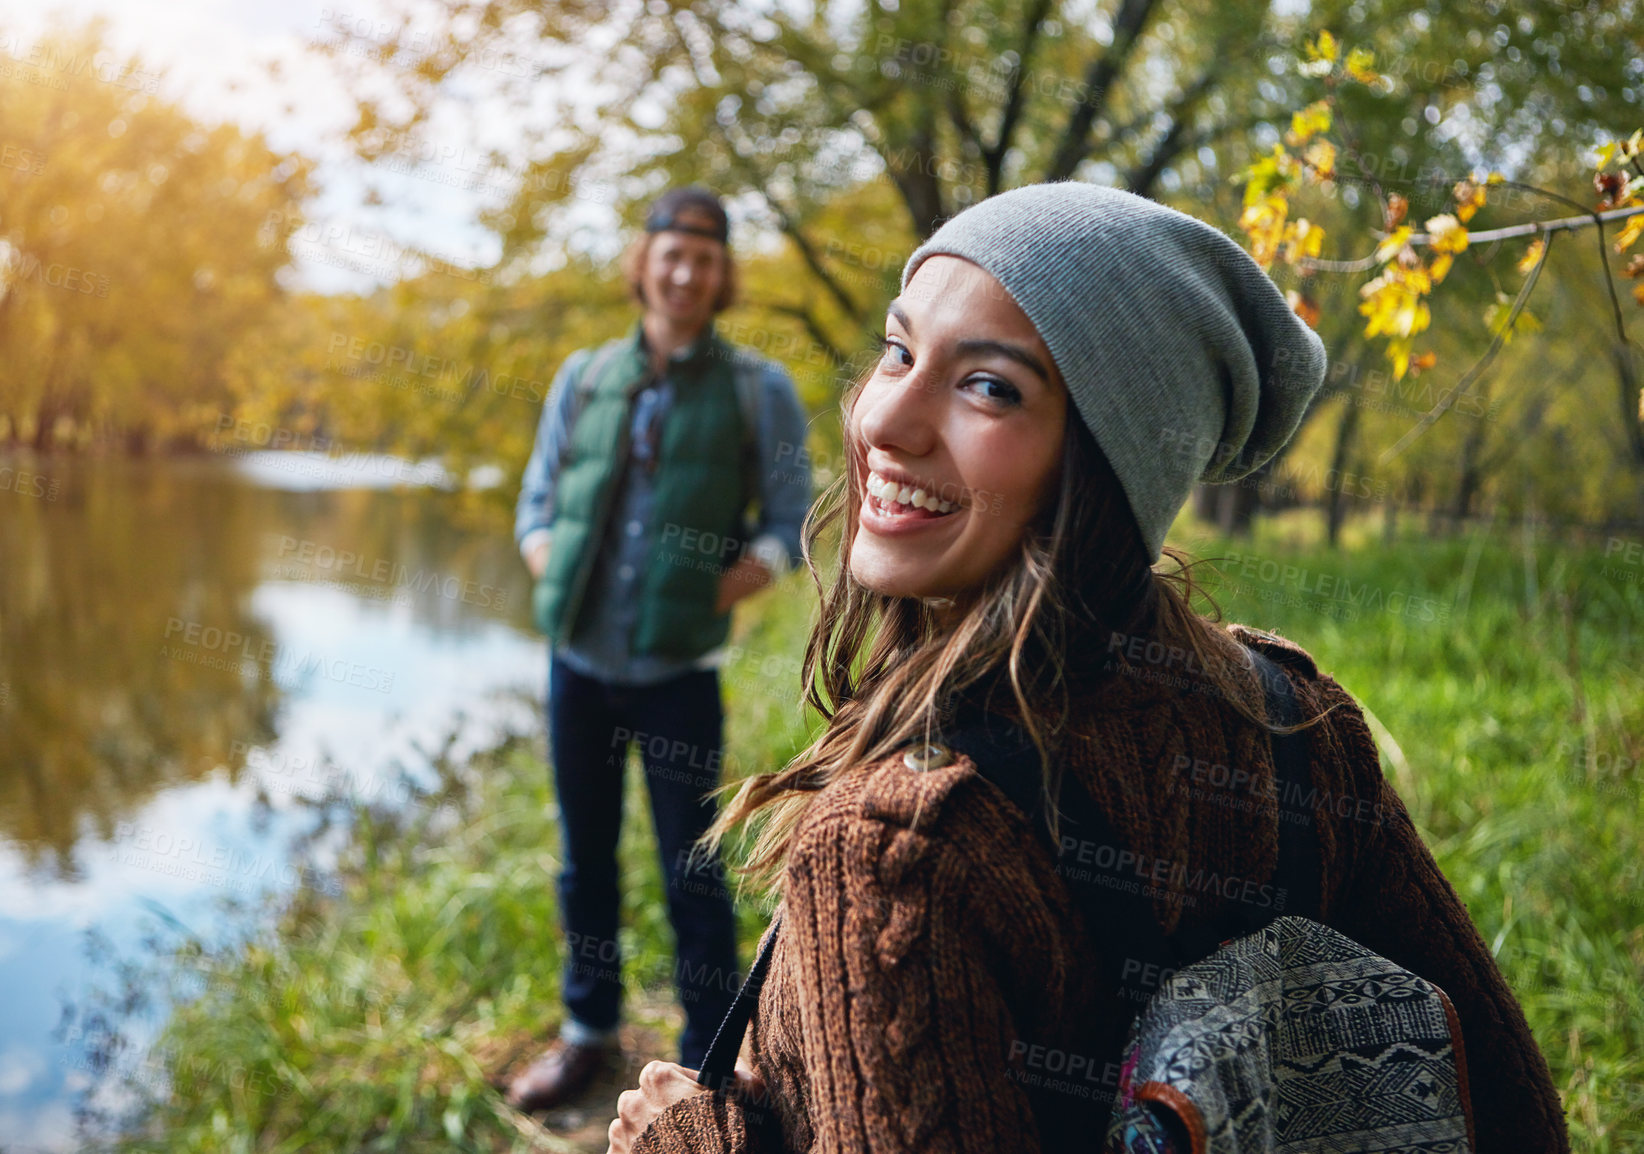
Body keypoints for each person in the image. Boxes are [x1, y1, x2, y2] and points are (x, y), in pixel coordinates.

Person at [606, 181, 1570, 1152]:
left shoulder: (899, 848)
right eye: (899, 350)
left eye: (989, 385)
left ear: (1104, 469)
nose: (884, 420)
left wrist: (697, 1138)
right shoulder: (1296, 723)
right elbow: (1516, 1114)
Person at [508, 186, 812, 1111]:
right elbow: (535, 502)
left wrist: (728, 586)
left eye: (705, 258)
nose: (685, 271)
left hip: (681, 676)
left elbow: (790, 520)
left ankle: (706, 1067)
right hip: (580, 669)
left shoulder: (759, 390)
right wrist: (546, 557)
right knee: (583, 857)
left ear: (722, 276)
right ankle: (587, 1035)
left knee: (694, 866)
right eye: (670, 253)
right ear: (643, 263)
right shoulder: (584, 376)